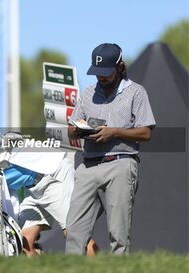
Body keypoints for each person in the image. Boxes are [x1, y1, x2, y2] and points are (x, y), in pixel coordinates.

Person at [65, 43, 156, 255]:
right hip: (87, 166)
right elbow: (70, 130)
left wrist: (113, 132)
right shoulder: (87, 94)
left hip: (121, 164)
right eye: (97, 73)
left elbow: (146, 133)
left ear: (120, 67)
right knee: (74, 232)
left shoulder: (136, 92)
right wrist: (79, 130)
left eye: (105, 73)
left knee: (118, 236)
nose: (101, 78)